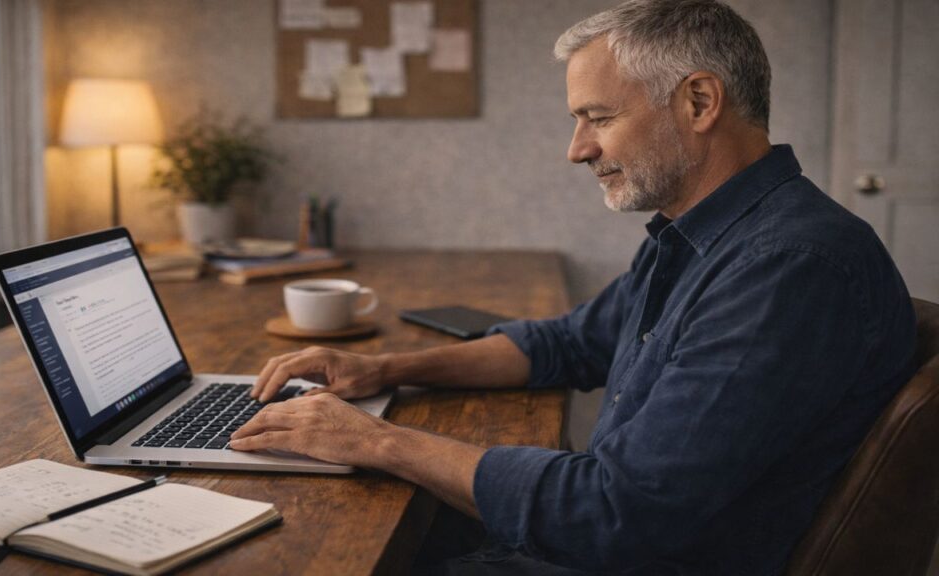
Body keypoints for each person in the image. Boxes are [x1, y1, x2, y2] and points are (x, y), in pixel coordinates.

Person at [230, 1, 917, 573]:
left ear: (700, 101)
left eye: (600, 117)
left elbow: (615, 514)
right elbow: (567, 344)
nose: (578, 149)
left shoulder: (786, 267)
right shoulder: (700, 234)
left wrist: (379, 441)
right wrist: (383, 371)